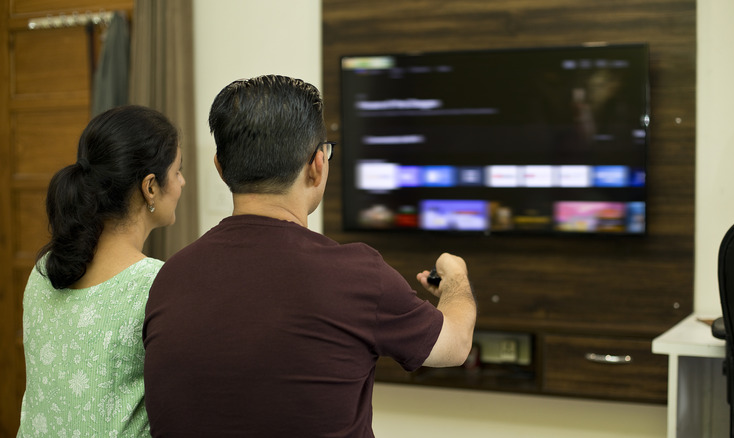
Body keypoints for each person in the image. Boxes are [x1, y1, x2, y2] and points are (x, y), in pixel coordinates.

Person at [142, 75, 476, 437]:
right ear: (317, 164)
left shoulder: (169, 277)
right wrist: (456, 279)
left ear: (220, 168)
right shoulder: (357, 275)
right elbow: (455, 345)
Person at [17, 105, 185, 437]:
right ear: (150, 187)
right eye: (178, 171)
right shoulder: (155, 283)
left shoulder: (43, 269)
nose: (182, 182)